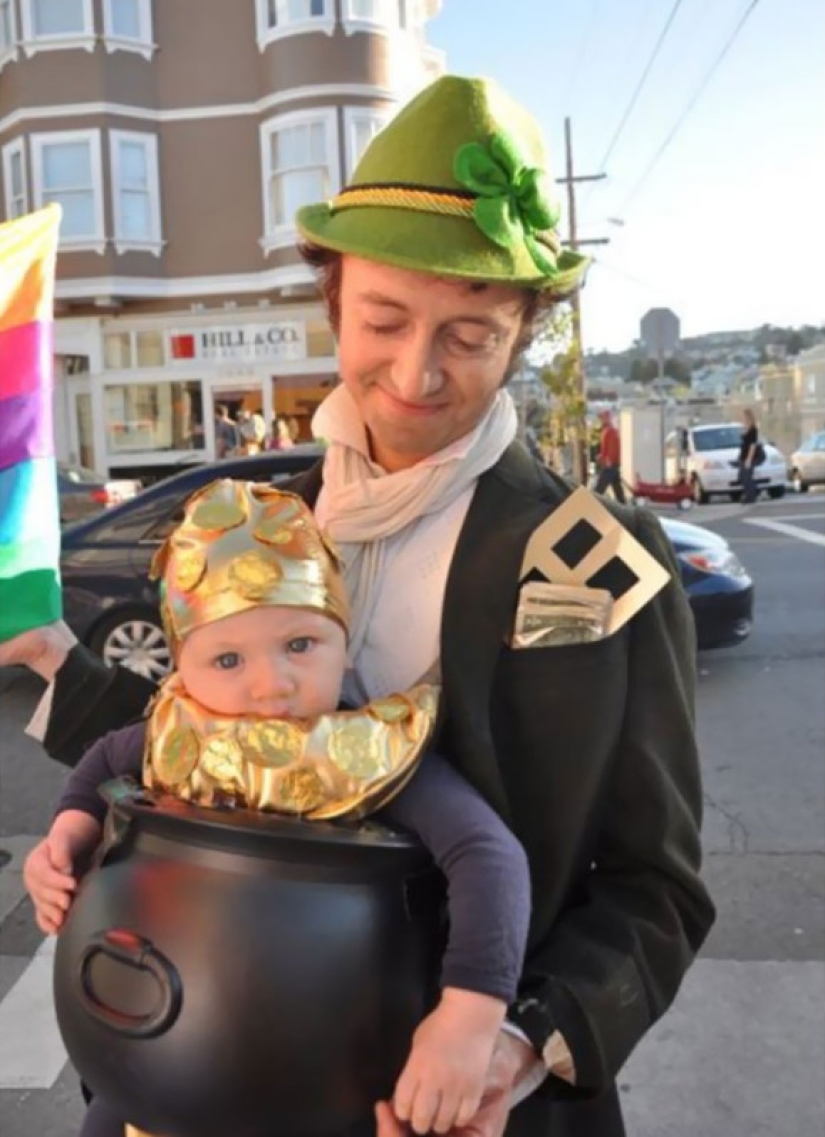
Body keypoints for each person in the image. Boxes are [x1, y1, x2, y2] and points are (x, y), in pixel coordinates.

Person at [2, 75, 714, 1137]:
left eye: (470, 335)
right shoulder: (261, 527)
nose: (416, 373)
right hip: (191, 1077)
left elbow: (656, 887)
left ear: (521, 333)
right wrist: (56, 669)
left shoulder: (599, 562)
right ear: (333, 300)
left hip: (451, 1108)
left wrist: (516, 1045)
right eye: (384, 320)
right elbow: (202, 736)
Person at [24, 479, 532, 1137]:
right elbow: (98, 765)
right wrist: (64, 838)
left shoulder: (368, 754)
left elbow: (488, 855)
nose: (271, 685)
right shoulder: (174, 730)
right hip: (151, 1069)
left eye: (300, 645)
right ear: (181, 668)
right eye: (227, 659)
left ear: (344, 644)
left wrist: (468, 1017)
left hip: (311, 1072)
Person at [593, 410, 626, 503]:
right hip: (612, 464)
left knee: (599, 489)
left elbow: (612, 448)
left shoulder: (610, 431)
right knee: (617, 490)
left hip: (609, 465)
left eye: (603, 417)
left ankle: (591, 506)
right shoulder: (608, 430)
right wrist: (601, 456)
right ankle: (623, 505)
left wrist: (608, 461)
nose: (601, 420)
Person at [739, 408, 760, 504]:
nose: (743, 419)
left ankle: (751, 496)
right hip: (743, 456)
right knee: (742, 476)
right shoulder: (746, 429)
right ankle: (749, 493)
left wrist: (749, 459)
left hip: (748, 457)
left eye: (745, 417)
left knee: (747, 477)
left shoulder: (753, 430)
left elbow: (752, 445)